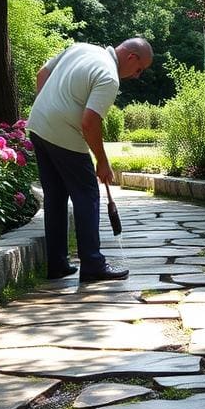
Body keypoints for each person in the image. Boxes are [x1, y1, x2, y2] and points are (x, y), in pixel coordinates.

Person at [27, 37, 153, 282]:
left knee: (55, 197)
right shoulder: (108, 76)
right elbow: (90, 122)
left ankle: (58, 264)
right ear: (131, 57)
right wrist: (102, 161)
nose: (137, 75)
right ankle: (93, 264)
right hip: (64, 134)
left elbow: (42, 74)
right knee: (87, 196)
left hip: (39, 127)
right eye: (139, 69)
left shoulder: (81, 48)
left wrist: (50, 108)